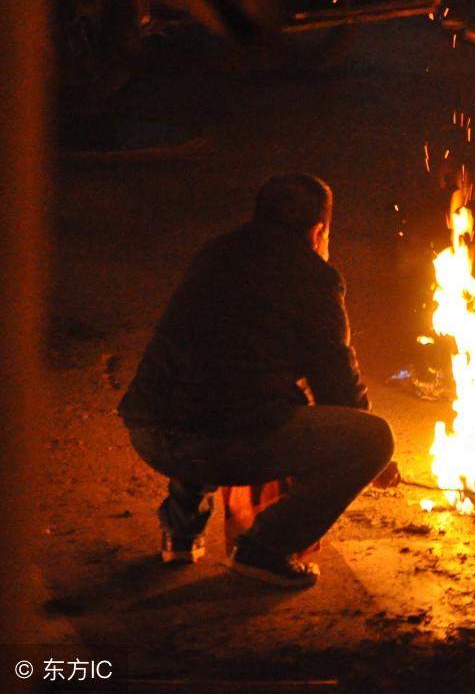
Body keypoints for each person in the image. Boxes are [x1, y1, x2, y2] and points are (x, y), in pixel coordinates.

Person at [119, 173, 398, 590]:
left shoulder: (217, 252)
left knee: (208, 390)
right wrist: (378, 460)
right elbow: (336, 381)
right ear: (319, 231)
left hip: (148, 429)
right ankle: (265, 549)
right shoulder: (314, 276)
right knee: (372, 438)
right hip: (219, 444)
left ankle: (181, 531)